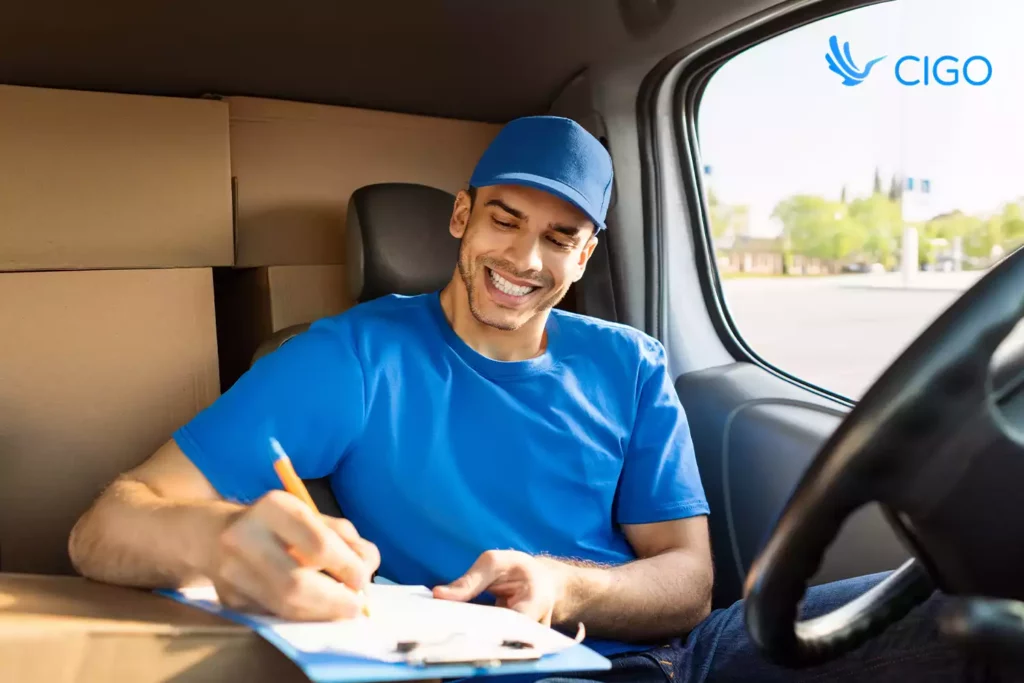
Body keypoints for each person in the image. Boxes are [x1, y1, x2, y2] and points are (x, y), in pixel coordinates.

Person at [68, 116, 994, 682]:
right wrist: (217, 541)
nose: (523, 260)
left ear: (585, 256)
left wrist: (559, 585)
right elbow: (105, 524)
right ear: (461, 216)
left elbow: (687, 581)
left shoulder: (630, 362)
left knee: (971, 597)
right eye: (504, 219)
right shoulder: (349, 355)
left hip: (685, 661)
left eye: (560, 237)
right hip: (462, 667)